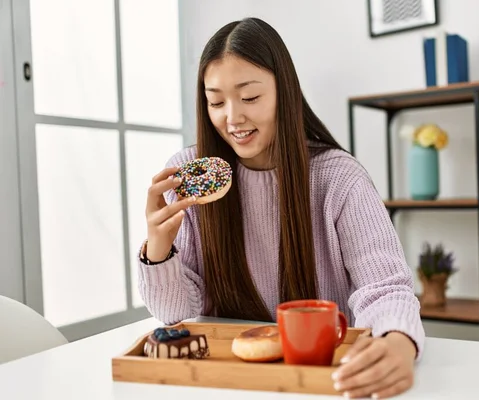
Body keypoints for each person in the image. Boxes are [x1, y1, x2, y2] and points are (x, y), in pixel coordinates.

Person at [138, 17, 425, 399]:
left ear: (284, 92)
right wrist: (158, 249)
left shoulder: (337, 177)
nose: (232, 117)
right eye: (216, 101)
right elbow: (177, 313)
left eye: (250, 97)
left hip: (324, 378)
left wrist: (398, 343)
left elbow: (384, 287)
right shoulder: (193, 176)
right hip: (228, 381)